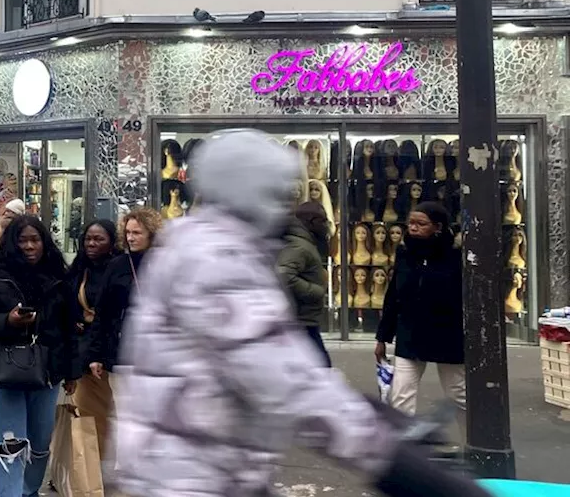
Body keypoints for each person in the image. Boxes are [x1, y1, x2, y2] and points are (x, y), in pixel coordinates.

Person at [112, 129, 486, 497]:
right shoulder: (218, 262)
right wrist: (403, 466)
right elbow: (287, 382)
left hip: (190, 464)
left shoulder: (190, 246)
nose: (285, 204)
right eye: (278, 192)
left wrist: (380, 417)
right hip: (195, 476)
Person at [0, 215, 78, 497]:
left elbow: (70, 326)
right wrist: (8, 320)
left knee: (40, 444)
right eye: (22, 240)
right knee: (12, 444)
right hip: (8, 370)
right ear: (11, 244)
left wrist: (72, 371)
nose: (29, 246)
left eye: (35, 239)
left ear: (44, 242)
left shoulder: (59, 277)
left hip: (49, 371)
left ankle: (28, 491)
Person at [376, 202, 466, 425]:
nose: (413, 228)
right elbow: (394, 293)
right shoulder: (405, 252)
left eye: (421, 224)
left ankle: (473, 447)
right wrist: (383, 337)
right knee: (400, 396)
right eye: (411, 223)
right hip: (411, 332)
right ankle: (403, 454)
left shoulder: (456, 255)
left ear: (437, 227)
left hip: (447, 333)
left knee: (459, 394)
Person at [65, 218, 120, 458]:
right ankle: (85, 467)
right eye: (88, 238)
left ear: (111, 243)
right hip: (82, 349)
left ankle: (101, 463)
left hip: (110, 349)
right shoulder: (79, 269)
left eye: (99, 239)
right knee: (85, 412)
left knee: (109, 411)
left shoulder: (118, 270)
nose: (92, 243)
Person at [87, 207, 161, 383]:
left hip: (157, 351)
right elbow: (102, 311)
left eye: (136, 233)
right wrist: (95, 355)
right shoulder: (117, 266)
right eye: (128, 232)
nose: (130, 238)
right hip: (123, 348)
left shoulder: (165, 263)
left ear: (151, 234)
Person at [278, 201, 332, 366]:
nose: (326, 226)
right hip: (301, 322)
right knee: (322, 368)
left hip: (304, 320)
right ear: (311, 221)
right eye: (323, 221)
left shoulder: (305, 243)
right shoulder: (300, 246)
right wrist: (315, 291)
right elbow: (284, 274)